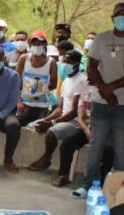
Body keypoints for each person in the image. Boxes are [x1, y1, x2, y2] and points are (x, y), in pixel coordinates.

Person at [73, 2, 124, 199]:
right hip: (100, 101)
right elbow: (91, 67)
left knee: (122, 148)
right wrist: (105, 92)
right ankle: (87, 185)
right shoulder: (102, 38)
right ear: (112, 17)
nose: (121, 18)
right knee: (95, 145)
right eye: (118, 15)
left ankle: (120, 188)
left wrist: (111, 88)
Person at [28, 50, 87, 182]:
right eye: (64, 60)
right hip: (65, 118)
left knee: (52, 132)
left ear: (77, 63)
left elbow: (74, 111)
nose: (64, 64)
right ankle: (46, 156)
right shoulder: (66, 81)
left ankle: (46, 158)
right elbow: (60, 108)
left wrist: (52, 123)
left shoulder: (81, 80)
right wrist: (45, 119)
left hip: (76, 121)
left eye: (68, 61)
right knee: (39, 124)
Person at [54, 86, 114, 187]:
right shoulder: (85, 94)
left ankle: (104, 183)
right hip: (87, 129)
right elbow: (80, 118)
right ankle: (63, 175)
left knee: (109, 150)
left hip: (105, 131)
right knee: (67, 142)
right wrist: (87, 131)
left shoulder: (109, 97)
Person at [15, 30, 57, 126]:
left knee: (38, 131)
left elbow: (53, 84)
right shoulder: (24, 58)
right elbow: (15, 81)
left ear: (45, 45)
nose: (37, 45)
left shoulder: (51, 63)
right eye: (35, 43)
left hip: (42, 106)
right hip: (24, 105)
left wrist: (42, 90)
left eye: (40, 43)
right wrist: (19, 100)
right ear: (30, 43)